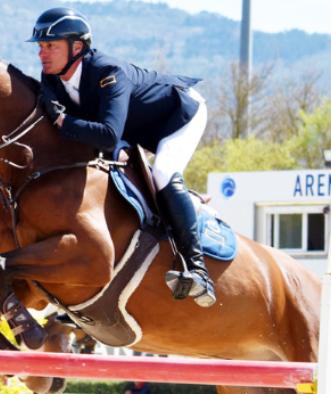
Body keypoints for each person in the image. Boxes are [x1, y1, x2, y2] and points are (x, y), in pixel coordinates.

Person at [27, 7, 215, 307]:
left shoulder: (106, 72)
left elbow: (108, 135)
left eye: (51, 45)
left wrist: (63, 122)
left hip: (178, 115)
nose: (42, 54)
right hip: (136, 127)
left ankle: (198, 271)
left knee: (163, 174)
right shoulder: (52, 78)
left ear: (77, 47)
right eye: (40, 46)